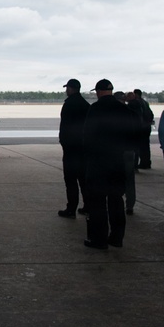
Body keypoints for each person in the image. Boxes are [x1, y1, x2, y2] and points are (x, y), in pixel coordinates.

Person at [81, 79, 136, 249]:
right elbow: (132, 134)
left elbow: (87, 135)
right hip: (117, 161)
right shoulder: (123, 109)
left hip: (98, 162)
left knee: (97, 202)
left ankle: (99, 239)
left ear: (98, 91)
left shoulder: (95, 109)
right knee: (116, 200)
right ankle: (117, 237)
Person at [57, 78, 89, 218]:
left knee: (70, 180)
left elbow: (65, 125)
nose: (66, 91)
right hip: (83, 148)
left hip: (71, 148)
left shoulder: (69, 104)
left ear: (71, 89)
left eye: (67, 88)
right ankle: (88, 206)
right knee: (83, 179)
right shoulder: (85, 104)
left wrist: (63, 141)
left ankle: (71, 209)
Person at [123, 90, 143, 214]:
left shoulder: (119, 114)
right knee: (130, 178)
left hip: (120, 150)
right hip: (131, 149)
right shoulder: (136, 112)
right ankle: (130, 205)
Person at [133, 89, 154, 169]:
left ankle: (142, 163)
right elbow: (151, 114)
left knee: (140, 147)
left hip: (142, 127)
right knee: (146, 146)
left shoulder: (137, 103)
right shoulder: (145, 102)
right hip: (147, 126)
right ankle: (147, 162)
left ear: (136, 94)